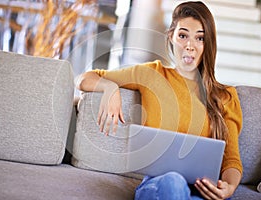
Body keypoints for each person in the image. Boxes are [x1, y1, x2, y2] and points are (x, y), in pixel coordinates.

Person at [75, 1, 243, 199]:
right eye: (183, 36)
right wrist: (109, 87)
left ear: (208, 44)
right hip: (160, 185)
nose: (190, 46)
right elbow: (84, 78)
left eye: (199, 38)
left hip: (203, 191)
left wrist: (229, 187)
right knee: (174, 182)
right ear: (171, 36)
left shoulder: (226, 96)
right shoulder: (152, 74)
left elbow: (231, 161)